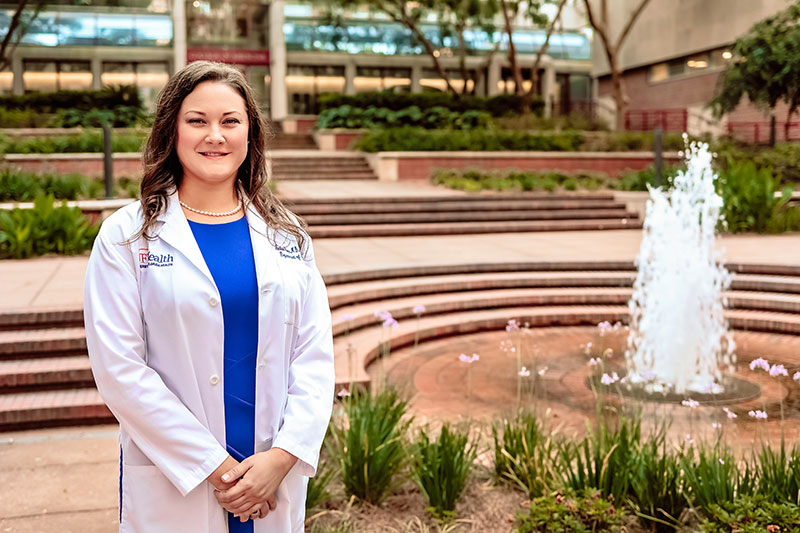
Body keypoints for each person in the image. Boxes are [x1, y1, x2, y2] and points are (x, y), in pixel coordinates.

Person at [83, 61, 335, 533]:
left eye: (230, 121)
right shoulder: (127, 234)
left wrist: (281, 458)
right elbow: (119, 369)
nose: (214, 135)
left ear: (250, 134)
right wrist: (222, 472)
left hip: (271, 475)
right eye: (197, 120)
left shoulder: (288, 233)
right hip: (177, 475)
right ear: (171, 131)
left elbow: (314, 357)